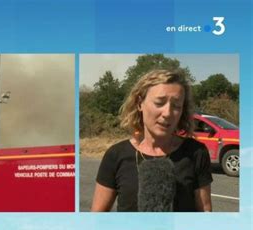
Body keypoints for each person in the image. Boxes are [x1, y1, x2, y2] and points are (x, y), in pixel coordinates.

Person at [91, 69, 212, 212]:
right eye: (159, 102)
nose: (167, 113)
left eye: (176, 106)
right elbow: (97, 216)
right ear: (140, 103)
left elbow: (205, 212)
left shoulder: (196, 153)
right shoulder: (116, 155)